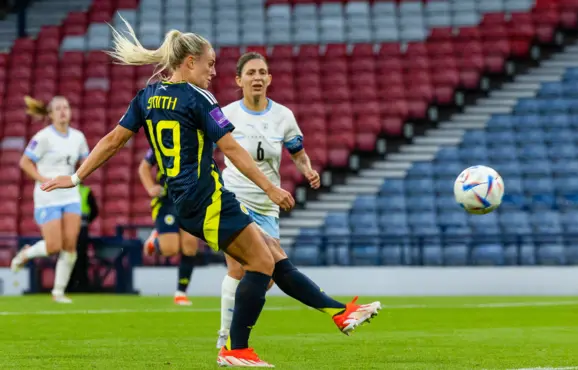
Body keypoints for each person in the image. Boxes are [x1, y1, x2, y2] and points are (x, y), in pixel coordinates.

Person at [41, 18, 381, 367]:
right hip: (207, 198)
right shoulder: (199, 98)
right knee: (260, 262)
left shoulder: (147, 97)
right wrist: (271, 187)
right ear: (189, 62)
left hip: (190, 199)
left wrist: (77, 176)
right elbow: (232, 150)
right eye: (210, 63)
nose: (214, 71)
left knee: (272, 253)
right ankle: (235, 348)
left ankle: (339, 313)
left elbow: (113, 140)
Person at [215, 52, 324, 348]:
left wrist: (308, 170)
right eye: (250, 73)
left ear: (270, 79)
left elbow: (298, 153)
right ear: (239, 80)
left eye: (262, 72)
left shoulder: (283, 116)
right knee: (239, 269)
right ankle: (227, 340)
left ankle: (233, 340)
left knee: (266, 276)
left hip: (267, 206)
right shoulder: (225, 114)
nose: (257, 78)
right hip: (234, 200)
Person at [12, 96, 90, 304]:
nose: (63, 111)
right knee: (54, 246)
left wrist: (79, 176)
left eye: (66, 107)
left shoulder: (78, 137)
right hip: (48, 196)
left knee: (70, 244)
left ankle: (58, 292)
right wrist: (42, 179)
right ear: (51, 114)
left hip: (70, 194)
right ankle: (26, 254)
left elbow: (86, 160)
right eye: (58, 108)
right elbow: (25, 162)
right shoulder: (43, 137)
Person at [138, 148, 199, 306]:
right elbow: (144, 167)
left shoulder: (197, 139)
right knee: (170, 249)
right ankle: (156, 239)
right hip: (167, 201)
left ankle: (181, 293)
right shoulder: (161, 140)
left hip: (190, 201)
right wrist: (151, 188)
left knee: (190, 246)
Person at [68, 183, 99, 292]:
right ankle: (82, 285)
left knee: (69, 256)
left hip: (70, 229)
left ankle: (69, 285)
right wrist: (86, 221)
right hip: (82, 229)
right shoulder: (86, 191)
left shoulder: (66, 192)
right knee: (81, 257)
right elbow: (95, 211)